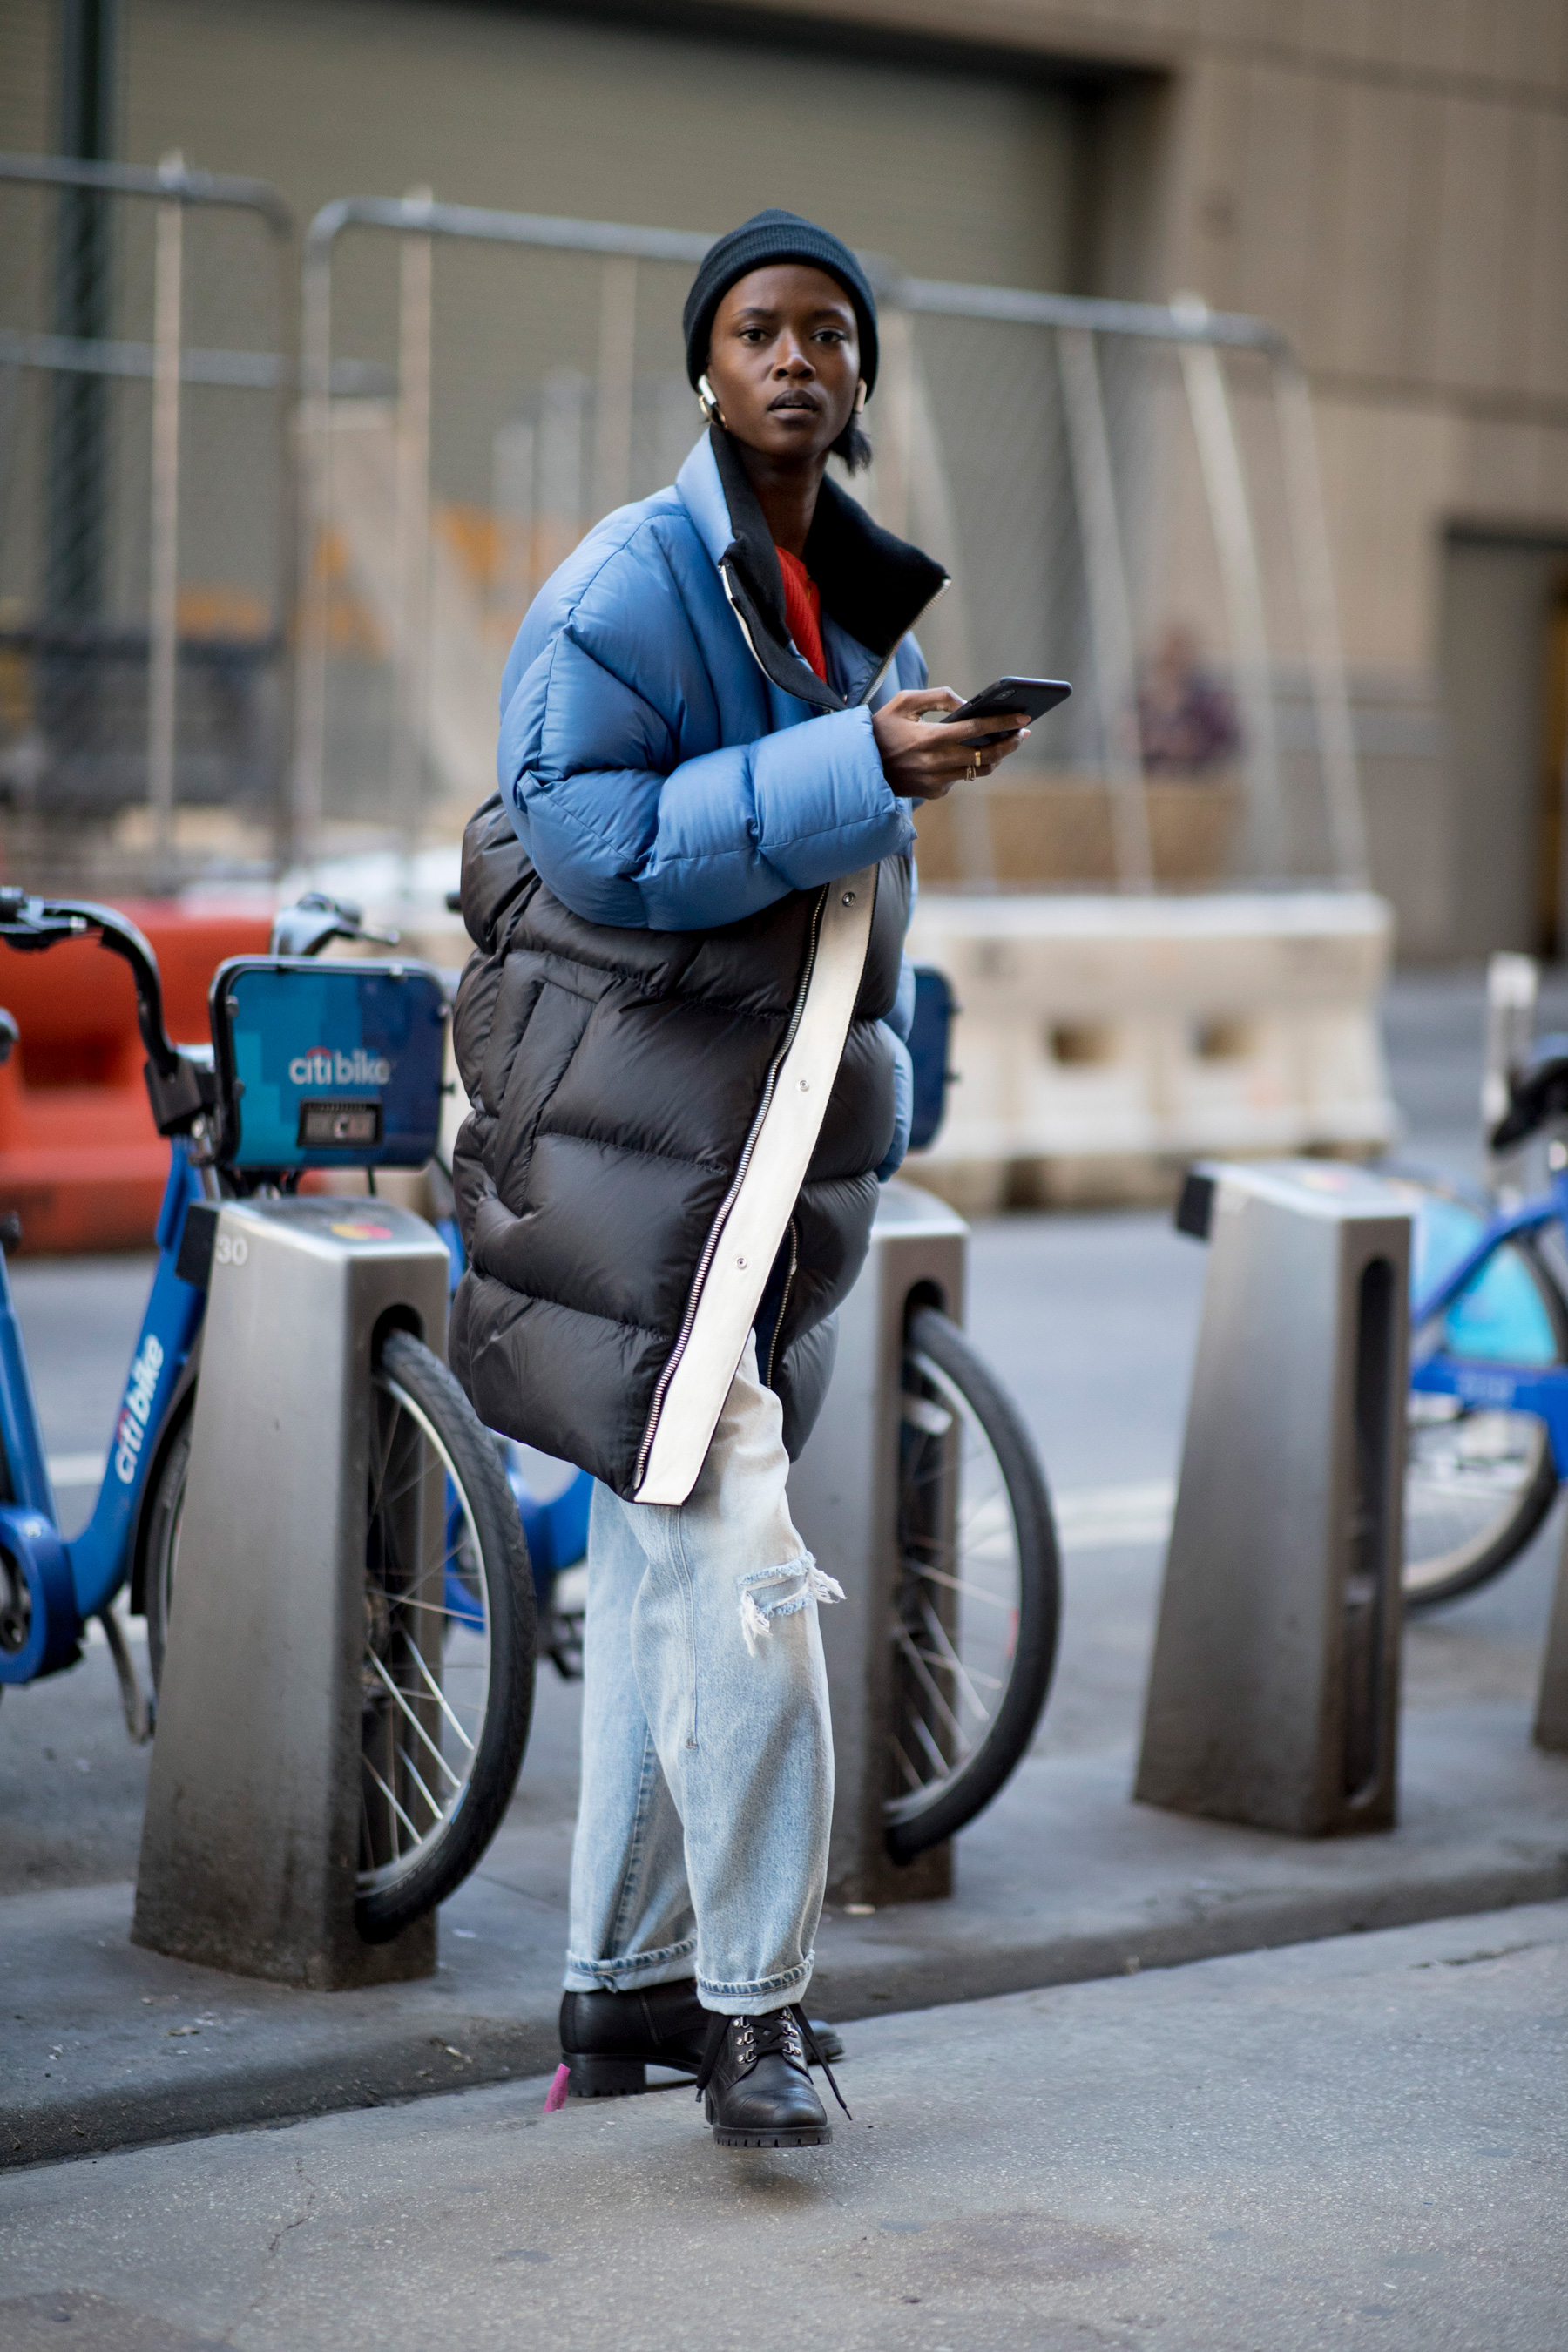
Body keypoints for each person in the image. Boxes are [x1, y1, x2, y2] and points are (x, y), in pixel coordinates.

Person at [449, 210, 1027, 2151]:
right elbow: (589, 838)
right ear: (707, 367)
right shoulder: (627, 583)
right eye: (761, 332)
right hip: (647, 1178)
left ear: (861, 381)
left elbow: (866, 918)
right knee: (754, 1580)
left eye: (831, 337)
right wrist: (852, 766)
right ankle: (752, 2013)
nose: (797, 362)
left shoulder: (860, 604)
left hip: (763, 1165)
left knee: (661, 1564)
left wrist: (894, 1086)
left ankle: (618, 1994)